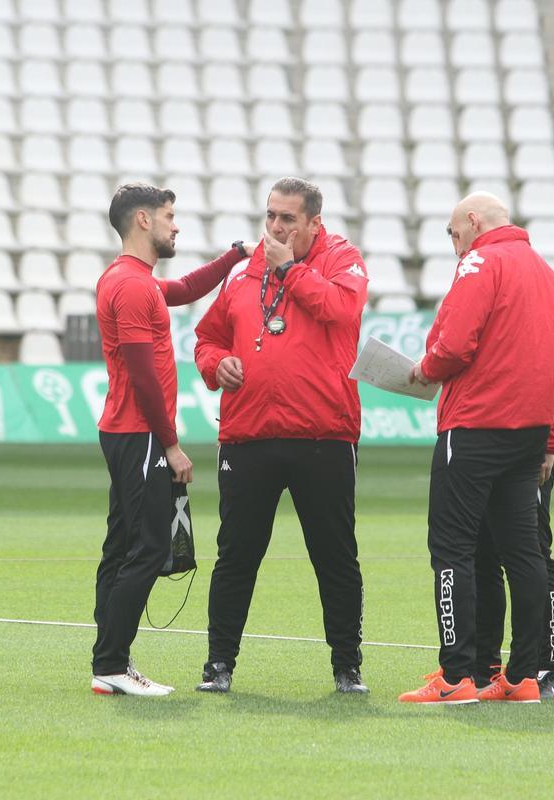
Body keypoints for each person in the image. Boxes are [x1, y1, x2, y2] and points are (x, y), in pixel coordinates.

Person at [398, 192, 554, 705]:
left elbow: (455, 345)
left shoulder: (479, 262)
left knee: (453, 551)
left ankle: (457, 676)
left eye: (454, 234)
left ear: (473, 223)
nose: (455, 246)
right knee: (523, 554)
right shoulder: (550, 276)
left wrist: (426, 369)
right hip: (529, 434)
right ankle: (524, 677)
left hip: (475, 426)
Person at [192, 177, 370, 695]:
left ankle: (347, 665)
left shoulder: (342, 259)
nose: (275, 227)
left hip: (324, 434)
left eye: (288, 219)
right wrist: (214, 364)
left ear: (315, 222)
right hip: (249, 435)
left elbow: (340, 309)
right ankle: (218, 663)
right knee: (236, 555)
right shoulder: (246, 272)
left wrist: (288, 269)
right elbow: (207, 336)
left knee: (334, 556)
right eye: (271, 215)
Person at [92, 183, 255, 697]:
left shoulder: (130, 280)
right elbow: (142, 376)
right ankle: (113, 664)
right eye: (169, 215)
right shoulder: (133, 287)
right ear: (143, 220)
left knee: (121, 548)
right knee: (148, 548)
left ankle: (110, 662)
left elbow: (184, 288)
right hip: (141, 435)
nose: (175, 224)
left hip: (125, 432)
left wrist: (233, 256)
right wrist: (171, 445)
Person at [475, 450, 554, 700]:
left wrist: (550, 447)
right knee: (483, 554)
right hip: (487, 445)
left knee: (535, 554)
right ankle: (485, 667)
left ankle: (549, 668)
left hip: (529, 447)